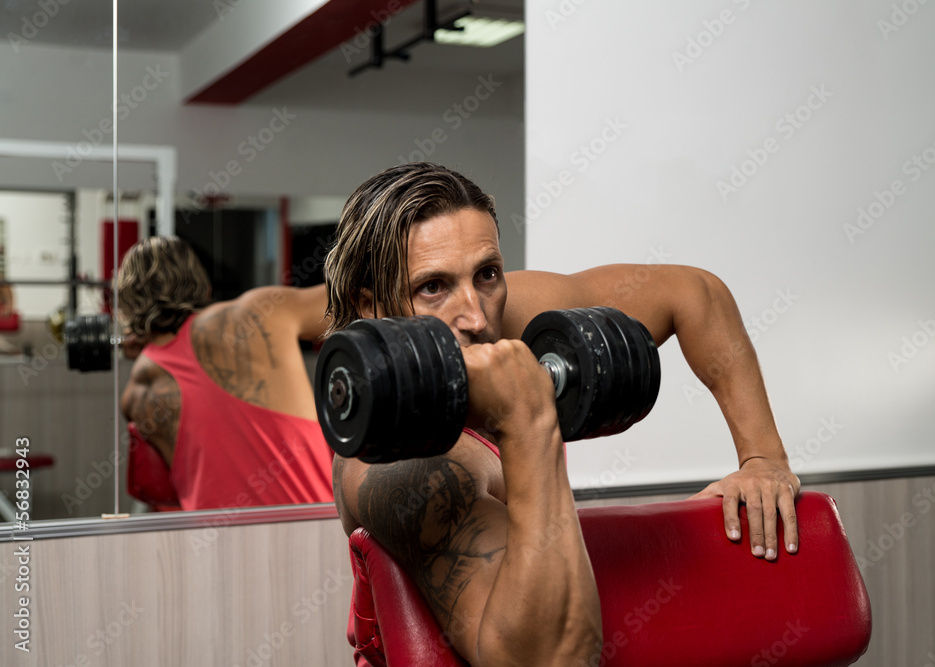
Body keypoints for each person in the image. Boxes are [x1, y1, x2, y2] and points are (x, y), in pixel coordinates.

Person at [325, 162, 801, 665]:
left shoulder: (504, 318)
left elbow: (693, 293)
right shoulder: (396, 472)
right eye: (432, 288)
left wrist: (763, 457)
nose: (476, 316)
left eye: (487, 274)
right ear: (372, 305)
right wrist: (527, 422)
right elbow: (552, 660)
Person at [118, 236, 334, 510]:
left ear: (125, 305)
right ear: (204, 287)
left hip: (214, 543)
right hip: (313, 533)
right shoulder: (256, 313)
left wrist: (147, 345)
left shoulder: (135, 396)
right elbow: (357, 301)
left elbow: (162, 495)